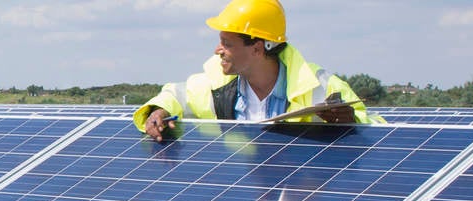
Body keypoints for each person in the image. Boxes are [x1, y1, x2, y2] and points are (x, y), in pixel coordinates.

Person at [135, 0, 384, 142]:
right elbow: (176, 95)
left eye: (227, 43)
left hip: (300, 199)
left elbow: (380, 132)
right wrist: (159, 110)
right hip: (241, 199)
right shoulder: (215, 84)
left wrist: (352, 122)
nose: (217, 50)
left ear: (256, 48)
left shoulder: (322, 86)